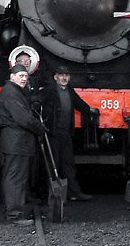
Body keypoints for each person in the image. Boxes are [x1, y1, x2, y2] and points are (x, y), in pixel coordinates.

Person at [0, 63, 47, 226]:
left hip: (16, 141)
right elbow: (23, 118)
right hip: (16, 141)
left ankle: (15, 211)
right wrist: (40, 128)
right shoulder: (11, 93)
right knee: (15, 178)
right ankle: (14, 215)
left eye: (26, 76)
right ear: (12, 77)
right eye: (21, 76)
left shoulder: (14, 92)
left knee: (15, 176)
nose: (24, 79)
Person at [38, 65, 95, 201]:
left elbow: (78, 103)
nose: (64, 78)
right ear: (55, 77)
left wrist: (90, 110)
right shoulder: (49, 90)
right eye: (61, 75)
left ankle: (73, 192)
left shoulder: (69, 90)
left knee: (68, 163)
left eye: (66, 75)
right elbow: (38, 100)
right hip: (53, 132)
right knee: (54, 163)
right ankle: (52, 194)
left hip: (66, 133)